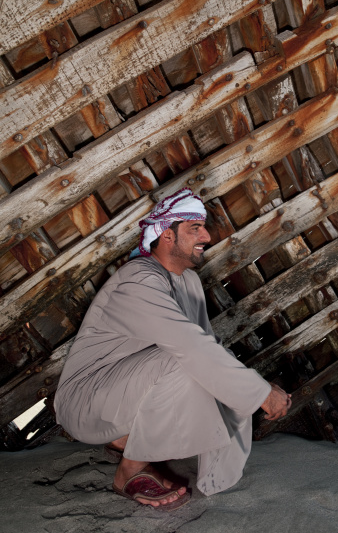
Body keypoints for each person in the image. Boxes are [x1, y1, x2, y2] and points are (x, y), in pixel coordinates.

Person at [54, 188, 291, 509]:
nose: (206, 236)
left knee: (215, 366)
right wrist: (260, 393)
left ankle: (130, 439)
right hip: (85, 400)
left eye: (204, 227)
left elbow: (209, 349)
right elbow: (190, 348)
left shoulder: (189, 282)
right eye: (195, 228)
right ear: (167, 235)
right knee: (187, 360)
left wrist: (257, 390)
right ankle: (130, 470)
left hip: (128, 393)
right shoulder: (138, 278)